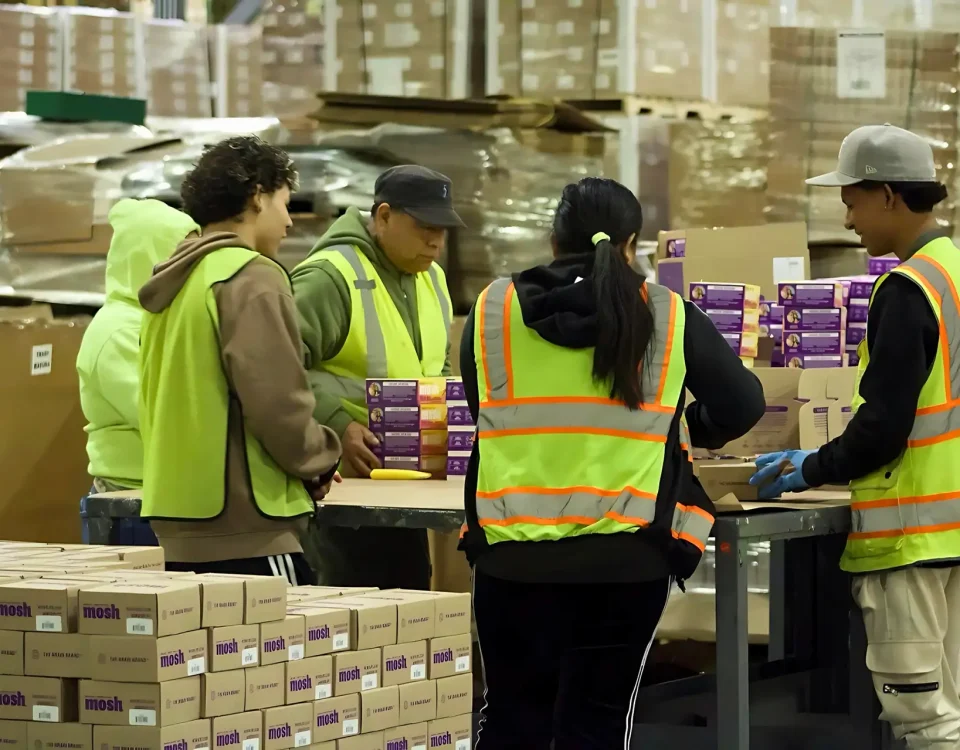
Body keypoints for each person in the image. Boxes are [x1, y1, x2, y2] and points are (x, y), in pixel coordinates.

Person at [459, 177, 766, 749]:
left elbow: (487, 413)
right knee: (596, 727)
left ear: (553, 239)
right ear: (631, 245)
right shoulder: (668, 316)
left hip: (511, 557)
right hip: (626, 559)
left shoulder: (493, 310)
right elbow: (742, 403)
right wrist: (683, 428)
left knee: (510, 723)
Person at [750, 124, 960, 748]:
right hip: (952, 530)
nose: (846, 217)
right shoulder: (954, 272)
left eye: (852, 198)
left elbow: (883, 429)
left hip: (912, 536)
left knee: (925, 720)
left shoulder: (909, 289)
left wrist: (810, 467)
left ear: (889, 196)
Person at [137, 135, 342, 584]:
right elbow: (278, 402)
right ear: (256, 195)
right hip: (248, 523)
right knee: (284, 654)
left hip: (177, 521)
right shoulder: (251, 277)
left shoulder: (177, 282)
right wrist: (319, 458)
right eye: (285, 203)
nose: (290, 221)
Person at [292, 165, 461, 589]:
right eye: (424, 227)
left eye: (442, 230)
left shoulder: (433, 279)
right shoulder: (329, 278)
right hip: (338, 498)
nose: (436, 242)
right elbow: (274, 368)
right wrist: (336, 422)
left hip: (406, 497)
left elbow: (434, 369)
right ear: (383, 216)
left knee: (409, 610)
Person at [77, 199, 199, 494]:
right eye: (184, 258)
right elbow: (162, 414)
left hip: (167, 488)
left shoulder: (161, 320)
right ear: (150, 259)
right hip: (129, 494)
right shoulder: (117, 331)